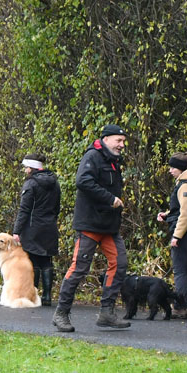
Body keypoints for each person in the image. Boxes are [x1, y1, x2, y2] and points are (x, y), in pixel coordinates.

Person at [53, 124, 132, 332]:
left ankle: (107, 312)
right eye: (119, 140)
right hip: (90, 225)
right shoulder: (92, 157)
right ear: (106, 139)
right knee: (79, 268)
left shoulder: (114, 161)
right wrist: (110, 199)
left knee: (120, 263)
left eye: (123, 141)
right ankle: (61, 313)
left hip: (109, 226)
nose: (122, 145)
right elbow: (83, 181)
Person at [156, 152, 187, 319]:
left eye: (173, 167)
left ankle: (180, 306)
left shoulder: (185, 187)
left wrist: (176, 236)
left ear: (181, 168)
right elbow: (181, 210)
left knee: (180, 271)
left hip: (186, 234)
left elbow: (186, 214)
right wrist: (167, 214)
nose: (170, 170)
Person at [12, 152, 61, 306]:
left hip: (33, 227)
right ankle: (47, 296)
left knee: (33, 261)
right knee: (47, 261)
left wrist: (16, 231)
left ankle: (33, 295)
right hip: (50, 226)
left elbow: (24, 210)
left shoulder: (30, 184)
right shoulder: (55, 183)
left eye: (26, 167)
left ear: (32, 167)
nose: (25, 170)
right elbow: (57, 207)